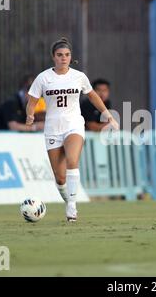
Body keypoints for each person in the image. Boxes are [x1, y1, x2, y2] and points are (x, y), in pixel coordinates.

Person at [26, 37, 119, 222]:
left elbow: (93, 96)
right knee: (60, 179)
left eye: (67, 55)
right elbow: (32, 102)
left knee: (72, 159)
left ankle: (72, 206)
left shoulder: (79, 76)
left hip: (74, 125)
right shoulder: (43, 78)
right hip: (53, 129)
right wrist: (30, 115)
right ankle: (68, 199)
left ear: (71, 57)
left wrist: (107, 115)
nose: (63, 58)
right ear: (53, 57)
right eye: (60, 55)